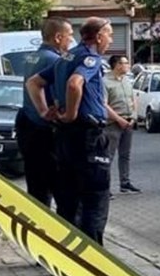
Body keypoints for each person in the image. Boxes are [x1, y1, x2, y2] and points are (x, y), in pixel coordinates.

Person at [26, 17, 115, 244]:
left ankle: (69, 256)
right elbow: (75, 84)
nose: (110, 40)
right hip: (88, 135)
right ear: (98, 36)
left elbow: (33, 83)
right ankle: (95, 259)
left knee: (69, 200)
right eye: (109, 34)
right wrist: (71, 113)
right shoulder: (89, 57)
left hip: (65, 138)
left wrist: (45, 111)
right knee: (95, 199)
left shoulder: (66, 56)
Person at [15, 17, 73, 208]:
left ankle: (37, 228)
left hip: (27, 124)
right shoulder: (55, 60)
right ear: (58, 37)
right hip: (44, 130)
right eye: (69, 36)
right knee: (58, 186)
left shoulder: (32, 56)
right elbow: (59, 96)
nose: (71, 41)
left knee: (36, 186)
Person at [103, 55, 141, 195]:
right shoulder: (105, 82)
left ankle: (125, 183)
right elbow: (104, 104)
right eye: (125, 63)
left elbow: (133, 98)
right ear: (117, 65)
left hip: (128, 122)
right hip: (113, 124)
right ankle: (105, 187)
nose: (128, 66)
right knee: (108, 155)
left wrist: (134, 116)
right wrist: (118, 119)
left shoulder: (126, 80)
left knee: (125, 155)